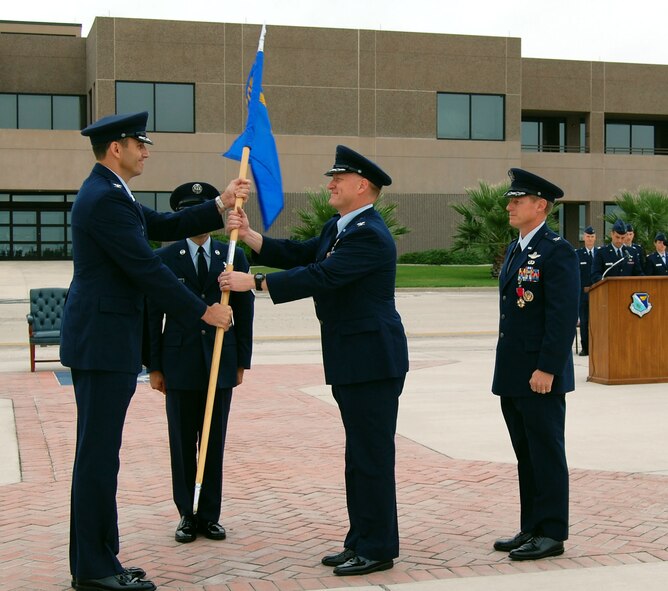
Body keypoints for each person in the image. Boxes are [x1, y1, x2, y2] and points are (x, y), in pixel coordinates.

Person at [61, 111, 250, 591]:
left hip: (105, 343)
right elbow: (147, 268)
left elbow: (164, 223)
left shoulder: (112, 194)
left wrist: (219, 205)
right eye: (139, 143)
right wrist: (201, 311)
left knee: (101, 456)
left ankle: (99, 558)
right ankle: (95, 570)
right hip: (102, 344)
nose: (146, 150)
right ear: (115, 148)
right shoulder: (104, 199)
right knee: (98, 457)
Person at [220, 145, 409, 576]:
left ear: (362, 186)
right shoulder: (340, 227)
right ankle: (360, 538)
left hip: (372, 361)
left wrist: (256, 283)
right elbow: (301, 253)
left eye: (337, 179)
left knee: (371, 456)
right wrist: (251, 237)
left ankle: (377, 547)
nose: (330, 184)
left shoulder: (368, 234)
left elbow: (324, 275)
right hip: (352, 359)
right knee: (358, 455)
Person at [147, 181, 254, 544]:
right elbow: (152, 316)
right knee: (182, 442)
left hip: (220, 361)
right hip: (179, 363)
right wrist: (154, 366)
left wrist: (242, 360)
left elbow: (245, 310)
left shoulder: (233, 254)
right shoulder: (164, 259)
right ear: (181, 215)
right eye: (190, 210)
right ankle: (185, 515)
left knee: (214, 440)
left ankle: (209, 515)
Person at [491, 168, 579, 561]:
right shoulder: (517, 248)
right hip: (513, 372)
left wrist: (548, 368)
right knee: (525, 452)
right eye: (510, 199)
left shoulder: (557, 250)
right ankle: (532, 526)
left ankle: (552, 532)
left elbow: (562, 317)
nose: (509, 205)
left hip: (539, 374)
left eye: (518, 200)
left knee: (546, 451)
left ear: (540, 205)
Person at [574, 226, 598, 356]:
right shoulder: (578, 254)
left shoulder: (600, 253)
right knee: (584, 322)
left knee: (598, 322)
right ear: (584, 238)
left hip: (598, 293)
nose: (590, 239)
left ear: (595, 238)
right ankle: (585, 347)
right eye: (588, 236)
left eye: (592, 237)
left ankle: (597, 346)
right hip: (583, 294)